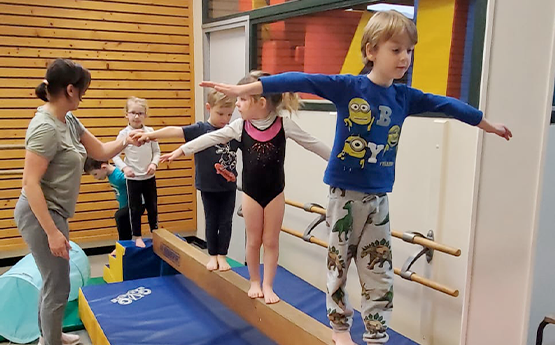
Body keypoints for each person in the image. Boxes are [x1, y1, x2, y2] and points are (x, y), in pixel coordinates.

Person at [199, 10, 512, 345]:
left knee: (379, 270)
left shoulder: (404, 97)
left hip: (378, 199)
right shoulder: (349, 87)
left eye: (409, 50)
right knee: (339, 265)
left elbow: (449, 105)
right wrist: (245, 87)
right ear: (371, 51)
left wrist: (487, 125)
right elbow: (299, 80)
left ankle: (377, 334)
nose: (404, 58)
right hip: (345, 196)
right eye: (396, 50)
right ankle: (339, 328)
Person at [160, 71, 331, 304]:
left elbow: (314, 144)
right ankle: (254, 281)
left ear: (260, 102)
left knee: (271, 241)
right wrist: (181, 150)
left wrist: (339, 162)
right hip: (251, 194)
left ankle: (268, 285)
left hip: (275, 194)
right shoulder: (241, 126)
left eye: (241, 99)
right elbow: (211, 138)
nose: (237, 104)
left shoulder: (284, 125)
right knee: (253, 241)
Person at [13, 58, 140, 345]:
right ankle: (50, 341)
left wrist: (128, 140)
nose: (84, 94)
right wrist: (52, 232)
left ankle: (51, 335)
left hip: (55, 213)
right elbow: (30, 184)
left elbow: (101, 150)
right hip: (40, 214)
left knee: (55, 282)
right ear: (70, 90)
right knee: (57, 284)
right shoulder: (45, 127)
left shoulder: (68, 119)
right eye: (82, 89)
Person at [133, 89, 238, 271]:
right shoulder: (201, 129)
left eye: (229, 114)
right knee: (212, 220)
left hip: (228, 186)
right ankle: (213, 255)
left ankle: (223, 256)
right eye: (220, 113)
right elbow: (174, 130)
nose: (225, 119)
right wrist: (150, 135)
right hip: (208, 185)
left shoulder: (232, 131)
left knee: (226, 221)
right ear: (208, 108)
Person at [113, 97, 160, 248]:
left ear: (146, 115)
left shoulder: (150, 132)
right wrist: (125, 168)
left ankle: (155, 232)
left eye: (140, 113)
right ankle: (137, 236)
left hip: (149, 176)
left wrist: (154, 164)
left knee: (152, 206)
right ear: (126, 114)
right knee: (135, 208)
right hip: (133, 178)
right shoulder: (123, 134)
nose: (136, 116)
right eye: (133, 113)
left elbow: (157, 152)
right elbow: (114, 154)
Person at [83, 158, 145, 256]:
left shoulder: (118, 176)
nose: (95, 178)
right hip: (126, 205)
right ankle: (124, 247)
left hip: (138, 204)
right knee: (123, 221)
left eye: (95, 174)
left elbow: (135, 181)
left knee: (120, 216)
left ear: (103, 167)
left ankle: (122, 246)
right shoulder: (111, 175)